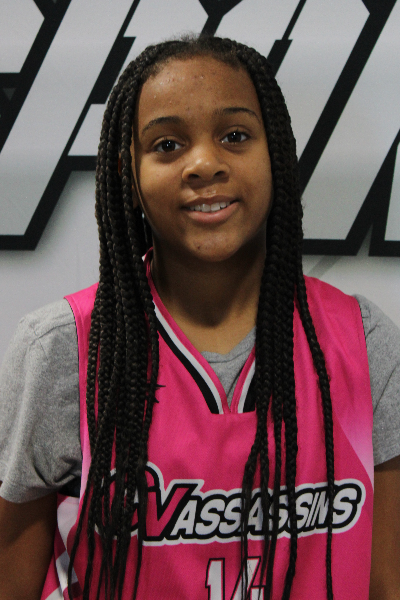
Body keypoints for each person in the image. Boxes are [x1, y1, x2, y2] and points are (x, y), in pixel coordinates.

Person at [0, 35, 400, 600]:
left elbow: (385, 582)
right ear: (129, 174)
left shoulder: (362, 340)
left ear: (275, 155)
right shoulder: (63, 348)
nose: (205, 164)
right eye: (167, 145)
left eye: (235, 136)